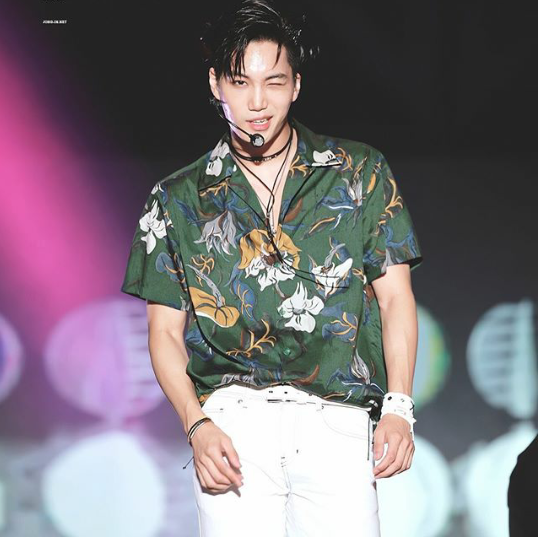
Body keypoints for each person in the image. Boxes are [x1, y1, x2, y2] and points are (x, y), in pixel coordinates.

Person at [121, 0, 424, 536]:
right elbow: (163, 331)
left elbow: (395, 296)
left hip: (338, 421)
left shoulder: (358, 173)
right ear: (215, 83)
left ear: (297, 85)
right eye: (240, 82)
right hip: (232, 427)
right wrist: (196, 425)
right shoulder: (177, 199)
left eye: (274, 82)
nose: (257, 102)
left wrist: (400, 406)